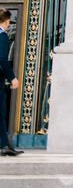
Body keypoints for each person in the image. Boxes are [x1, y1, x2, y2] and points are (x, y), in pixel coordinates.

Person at [0, 10, 23, 157]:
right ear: (6, 21)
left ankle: (4, 144)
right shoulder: (2, 36)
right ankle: (4, 145)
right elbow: (2, 59)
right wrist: (12, 78)